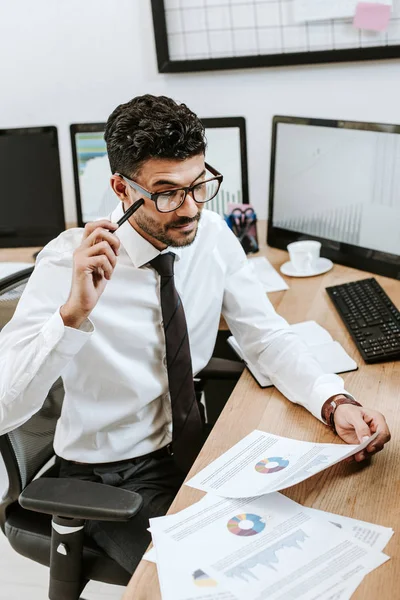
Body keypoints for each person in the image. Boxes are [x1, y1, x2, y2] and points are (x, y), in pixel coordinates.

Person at [0, 94, 390, 574]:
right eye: (167, 192)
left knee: (321, 538)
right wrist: (72, 314)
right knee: (228, 578)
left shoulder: (211, 234)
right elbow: (4, 408)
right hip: (111, 478)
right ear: (121, 188)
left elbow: (265, 338)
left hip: (198, 449)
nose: (188, 209)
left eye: (199, 185)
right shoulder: (68, 263)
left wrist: (335, 401)